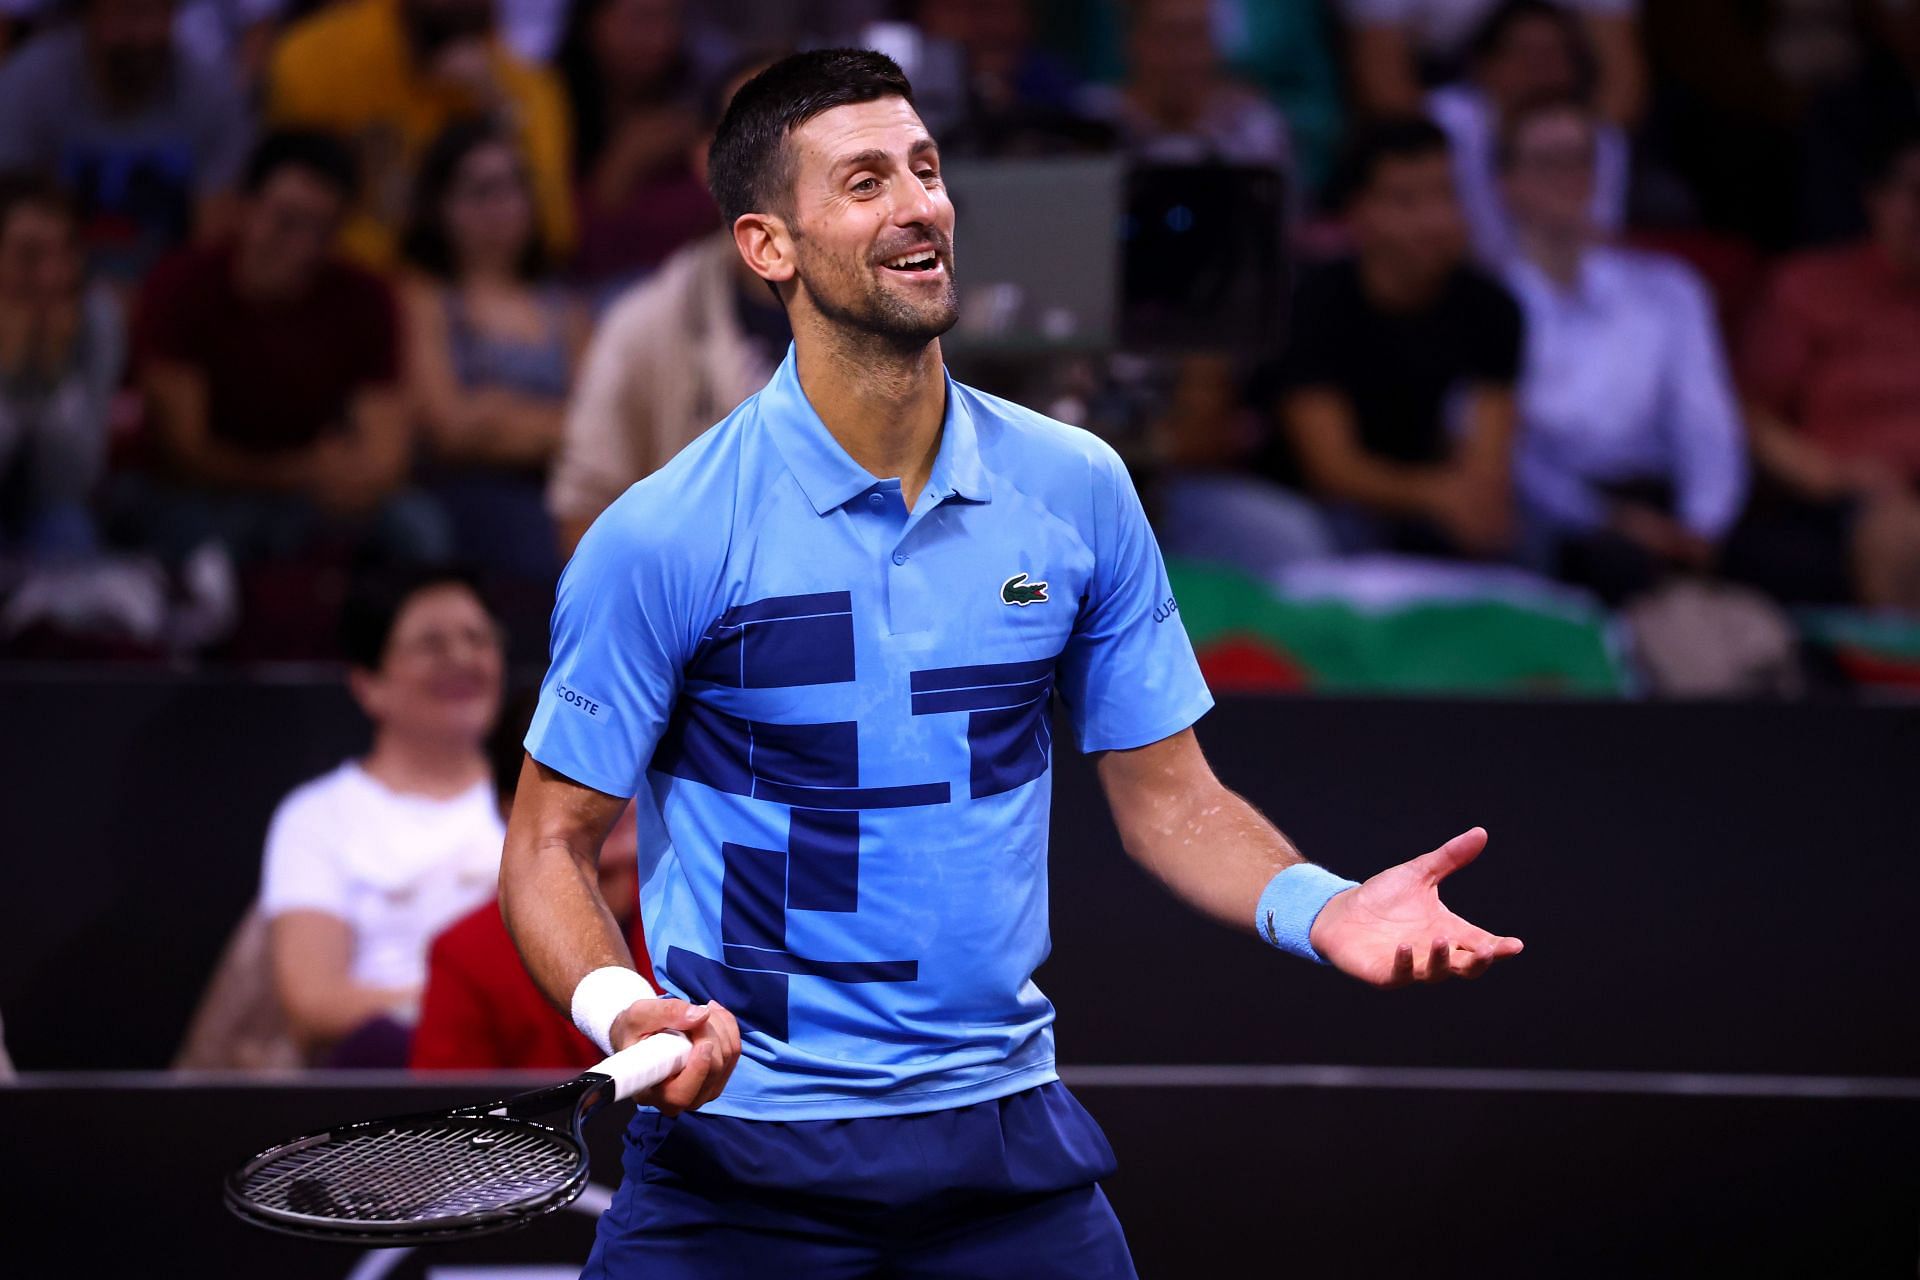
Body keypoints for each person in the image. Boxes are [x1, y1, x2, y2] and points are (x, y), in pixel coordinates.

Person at [500, 50, 1523, 1278]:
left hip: (1003, 1155)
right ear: (768, 247)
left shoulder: (1077, 487)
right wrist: (625, 1007)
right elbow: (548, 841)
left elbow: (1173, 799)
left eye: (926, 169)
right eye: (865, 180)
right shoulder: (659, 536)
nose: (921, 205)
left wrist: (1327, 906)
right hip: (737, 1166)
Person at [123, 130, 444, 568]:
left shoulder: (365, 297)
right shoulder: (181, 284)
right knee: (198, 536)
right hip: (204, 494)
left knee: (416, 524)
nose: (301, 247)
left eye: (322, 230)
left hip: (318, 493)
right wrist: (302, 472)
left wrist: (350, 478)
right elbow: (185, 453)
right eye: (286, 221)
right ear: (243, 208)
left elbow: (385, 450)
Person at [1495, 97, 1747, 600]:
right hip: (1556, 513)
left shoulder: (1670, 288)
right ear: (1507, 183)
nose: (1567, 176)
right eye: (1547, 162)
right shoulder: (1487, 301)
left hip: (1666, 500)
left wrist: (1702, 522)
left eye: (1581, 159)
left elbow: (1707, 421)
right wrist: (1602, 518)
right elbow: (1508, 450)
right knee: (1612, 563)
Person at [260, 566, 507, 1067]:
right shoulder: (318, 816)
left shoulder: (543, 798)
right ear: (368, 683)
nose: (462, 659)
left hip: (532, 1070)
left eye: (477, 638)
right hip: (384, 1087)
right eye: (431, 645)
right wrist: (465, 1001)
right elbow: (314, 1002)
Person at [547, 60, 790, 556]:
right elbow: (582, 513)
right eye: (757, 130)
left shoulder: (887, 308)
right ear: (708, 162)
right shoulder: (643, 325)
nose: (788, 151)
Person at [1267, 117, 1522, 560]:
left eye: (1445, 194)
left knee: (1516, 534)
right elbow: (1331, 467)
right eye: (1406, 200)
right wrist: (1439, 494)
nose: (1434, 219)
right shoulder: (1313, 306)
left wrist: (1467, 500)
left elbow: (1489, 452)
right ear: (1358, 213)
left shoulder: (1494, 307)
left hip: (1436, 499)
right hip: (1325, 506)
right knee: (1322, 536)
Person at [1733, 120, 1920, 609]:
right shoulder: (1810, 287)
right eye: (1913, 190)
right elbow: (1750, 416)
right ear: (1876, 197)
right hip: (1843, 497)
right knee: (1900, 533)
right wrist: (1830, 475)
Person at [401, 119, 585, 584]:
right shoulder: (423, 299)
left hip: (561, 494)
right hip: (461, 497)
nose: (499, 206)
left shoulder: (568, 311)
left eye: (512, 186)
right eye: (479, 189)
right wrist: (553, 425)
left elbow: (596, 433)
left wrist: (493, 410)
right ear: (439, 205)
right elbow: (446, 428)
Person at [265, 0, 574, 269]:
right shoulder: (319, 58)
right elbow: (289, 211)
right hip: (352, 289)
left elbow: (554, 231)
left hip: (472, 301)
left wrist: (496, 108)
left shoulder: (523, 86)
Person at [0, 0, 254, 283]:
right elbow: (12, 218)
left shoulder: (213, 94)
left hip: (168, 294)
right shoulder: (28, 86)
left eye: (160, 14)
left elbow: (213, 239)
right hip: (55, 286)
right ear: (90, 15)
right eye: (130, 14)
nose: (144, 35)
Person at [412, 800, 651, 1071]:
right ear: (509, 810)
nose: (613, 803)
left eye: (628, 781)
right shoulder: (464, 950)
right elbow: (448, 1097)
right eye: (578, 783)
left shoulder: (696, 912)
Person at [1424, 0, 1630, 263]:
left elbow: (1599, 240)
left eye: (1553, 54)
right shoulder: (1443, 124)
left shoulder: (1597, 133)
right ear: (1483, 65)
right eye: (1524, 53)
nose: (1539, 69)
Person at [556, 0, 728, 284]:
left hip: (696, 290)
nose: (659, 37)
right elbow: (567, 248)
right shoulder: (551, 107)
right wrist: (624, 164)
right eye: (642, 19)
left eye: (669, 19)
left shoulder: (700, 102)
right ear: (590, 24)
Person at [0, 175, 124, 560]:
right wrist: (9, 374)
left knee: (70, 531)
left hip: (50, 504)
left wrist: (51, 380)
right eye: (30, 255)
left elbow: (73, 483)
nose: (51, 277)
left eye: (67, 252)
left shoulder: (95, 317)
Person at [1343, 0, 1644, 127]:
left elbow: (1621, 82)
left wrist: (1566, 152)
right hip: (1439, 102)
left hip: (1568, 114)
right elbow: (1384, 86)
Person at [1075, 0, 1291, 167]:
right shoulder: (1091, 119)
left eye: (1195, 35)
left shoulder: (1254, 129)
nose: (1183, 55)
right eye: (1169, 36)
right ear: (1132, 41)